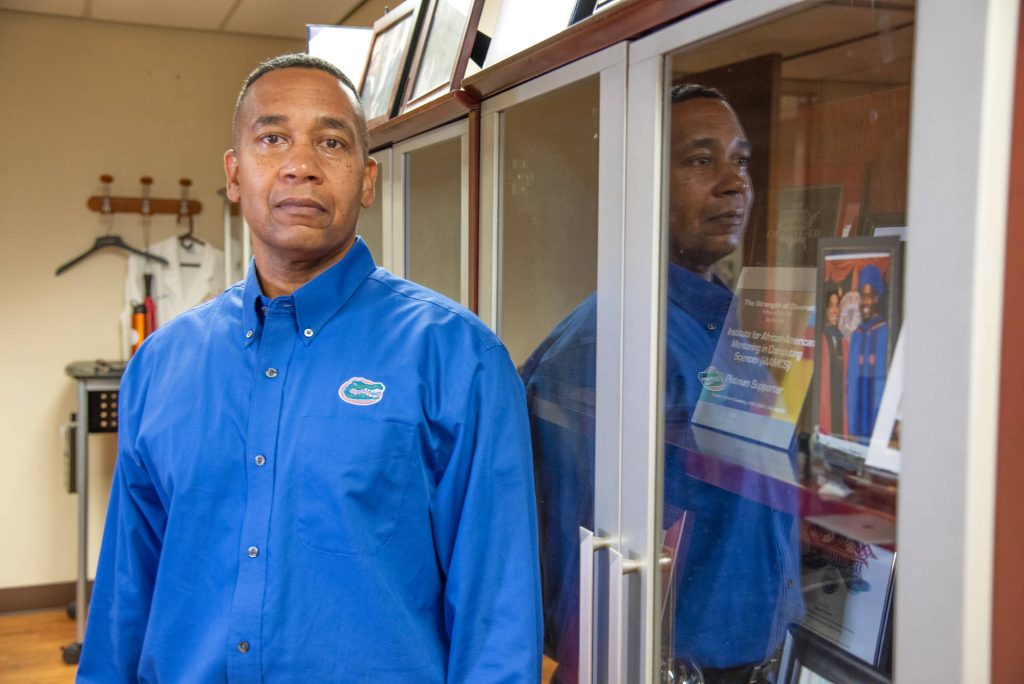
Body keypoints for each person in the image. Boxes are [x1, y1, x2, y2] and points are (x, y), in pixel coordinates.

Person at [78, 54, 542, 682]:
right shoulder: (160, 366)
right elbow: (122, 601)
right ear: (234, 174)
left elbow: (497, 619)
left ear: (367, 180)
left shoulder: (459, 359)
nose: (301, 165)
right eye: (273, 139)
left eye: (331, 142)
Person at [521, 84, 802, 683]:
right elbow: (577, 567)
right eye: (701, 159)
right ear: (641, 184)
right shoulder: (612, 342)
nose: (734, 183)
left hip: (767, 657)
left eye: (741, 160)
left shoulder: (735, 325)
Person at [846, 264, 888, 440]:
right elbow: (851, 382)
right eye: (862, 296)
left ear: (876, 298)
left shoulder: (885, 332)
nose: (865, 302)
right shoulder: (857, 334)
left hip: (877, 417)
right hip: (857, 419)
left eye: (869, 296)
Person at [818, 286, 848, 435]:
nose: (834, 310)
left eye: (837, 306)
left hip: (839, 404)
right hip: (825, 404)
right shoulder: (820, 339)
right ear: (826, 310)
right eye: (831, 306)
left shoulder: (844, 341)